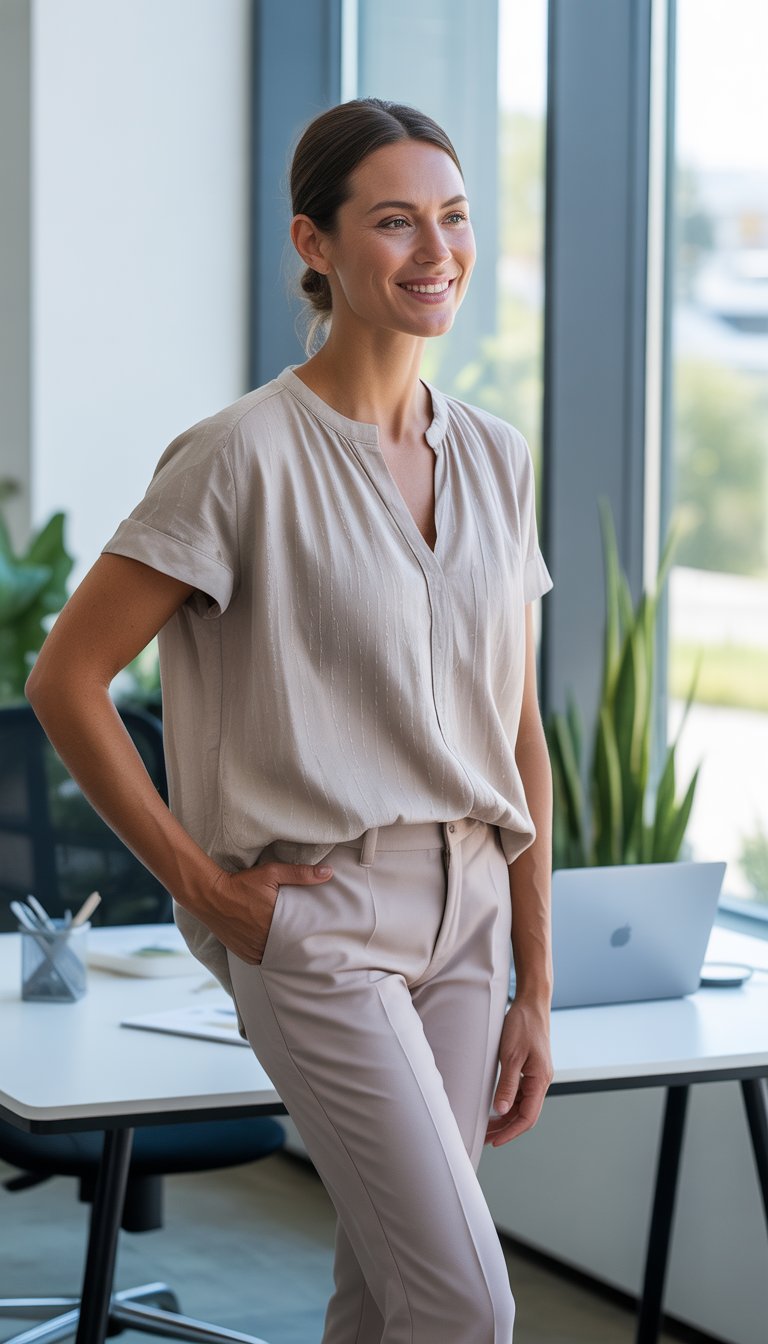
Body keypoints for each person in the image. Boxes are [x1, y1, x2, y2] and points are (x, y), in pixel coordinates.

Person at [26, 97, 554, 1344]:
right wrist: (205, 891)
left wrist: (539, 977)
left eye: (454, 217)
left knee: (388, 1292)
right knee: (467, 1303)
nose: (437, 252)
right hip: (322, 918)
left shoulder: (496, 456)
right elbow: (66, 678)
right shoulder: (238, 456)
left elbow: (515, 726)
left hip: (474, 910)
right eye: (394, 222)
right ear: (315, 244)